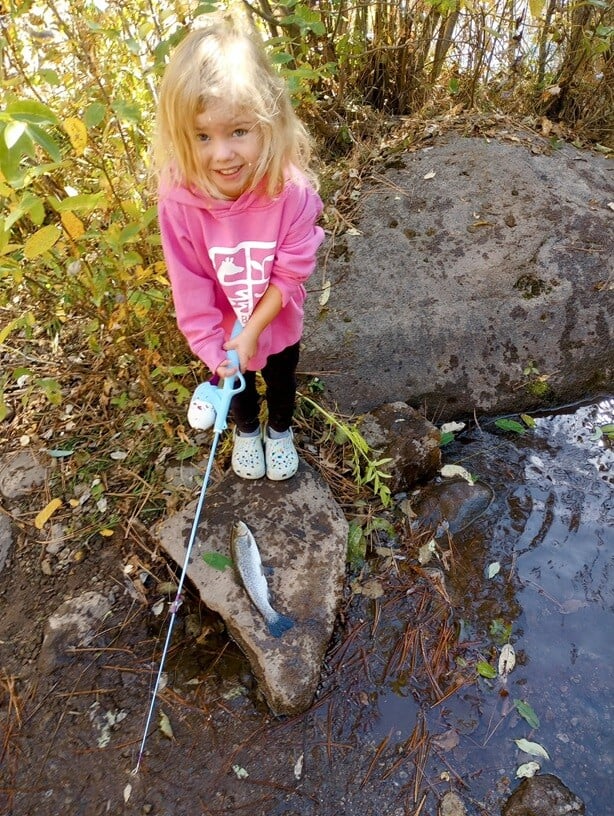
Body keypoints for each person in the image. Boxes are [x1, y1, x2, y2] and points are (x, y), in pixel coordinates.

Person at [153, 11, 324, 481]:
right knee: (240, 386)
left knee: (281, 376)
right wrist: (218, 350)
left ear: (268, 121)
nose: (222, 154)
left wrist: (255, 330)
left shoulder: (291, 192)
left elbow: (291, 272)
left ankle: (280, 430)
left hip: (277, 318)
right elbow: (190, 285)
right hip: (227, 336)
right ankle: (247, 432)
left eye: (239, 132)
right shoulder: (178, 203)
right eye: (202, 136)